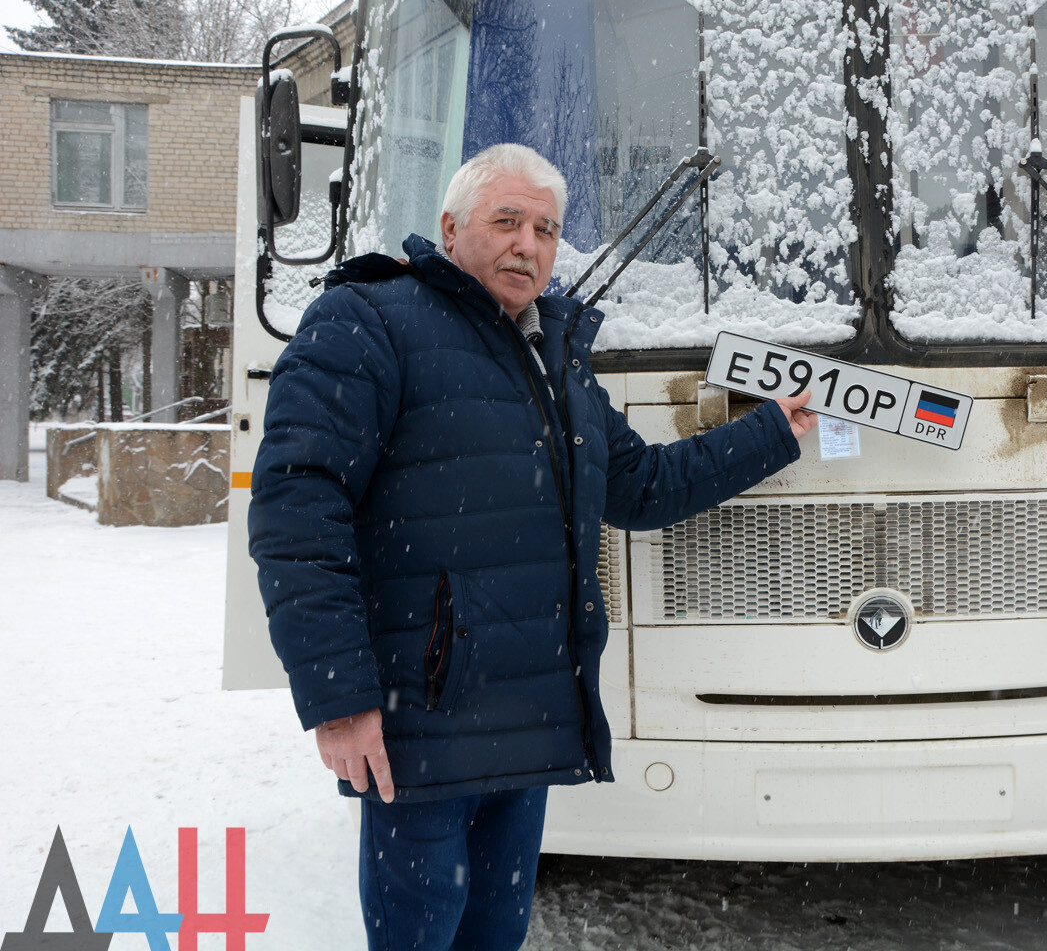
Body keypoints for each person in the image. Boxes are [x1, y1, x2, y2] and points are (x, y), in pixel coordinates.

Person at [248, 143, 816, 950]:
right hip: (422, 726)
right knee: (419, 935)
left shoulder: (555, 356)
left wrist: (771, 432)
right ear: (450, 229)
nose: (528, 244)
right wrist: (340, 697)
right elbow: (296, 507)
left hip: (530, 718)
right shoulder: (367, 321)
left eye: (546, 230)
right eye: (507, 221)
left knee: (495, 936)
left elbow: (642, 485)